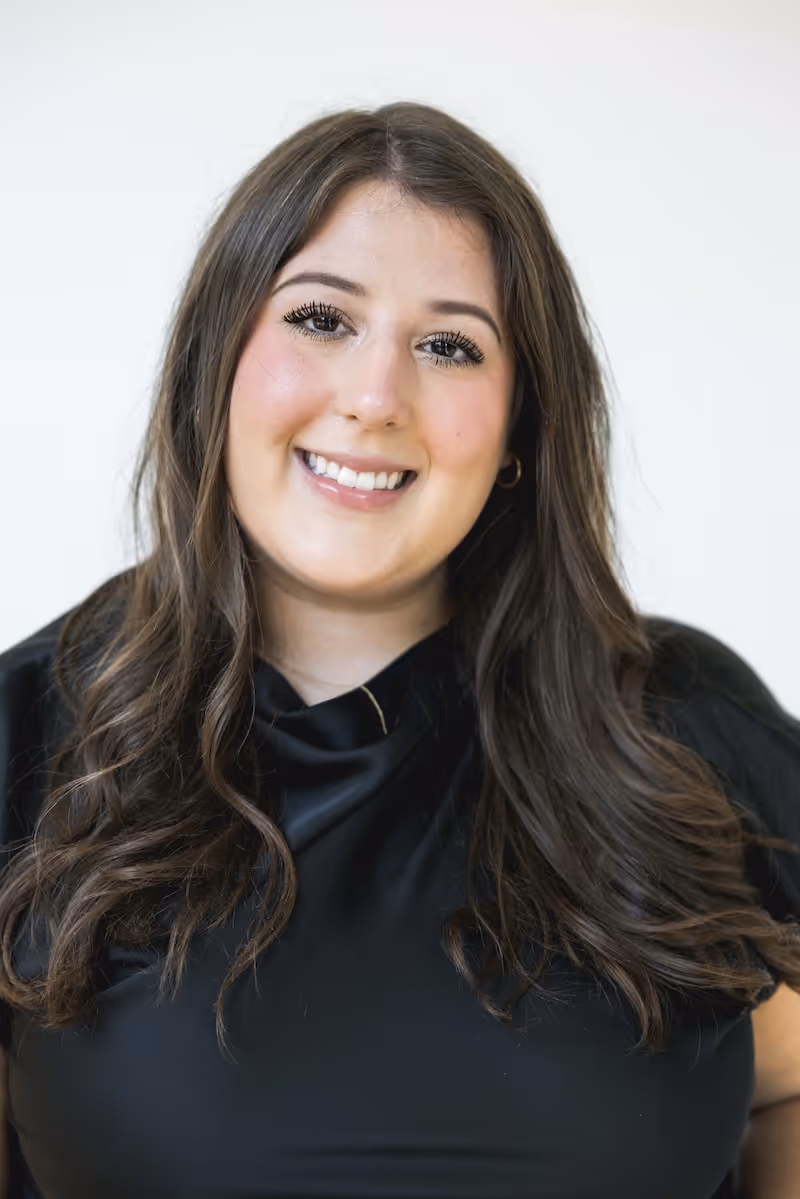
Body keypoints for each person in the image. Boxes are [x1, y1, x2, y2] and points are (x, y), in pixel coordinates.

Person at [0, 101, 798, 1199]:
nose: (375, 397)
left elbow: (782, 1087)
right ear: (214, 361)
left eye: (447, 344)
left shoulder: (680, 726)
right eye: (322, 320)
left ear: (518, 425)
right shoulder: (31, 735)